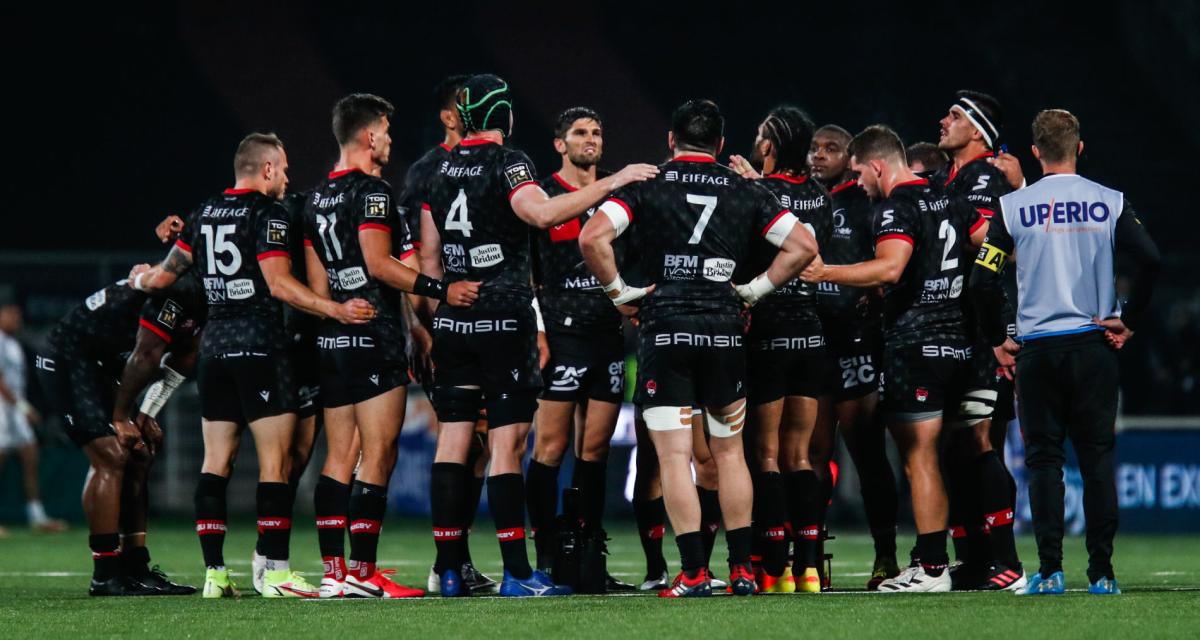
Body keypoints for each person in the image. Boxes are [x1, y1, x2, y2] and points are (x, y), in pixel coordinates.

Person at [421, 73, 657, 597]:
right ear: (503, 116)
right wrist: (614, 182)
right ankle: (519, 572)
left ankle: (451, 569)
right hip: (507, 317)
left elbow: (429, 254)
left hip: (456, 318)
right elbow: (542, 213)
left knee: (453, 443)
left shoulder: (438, 170)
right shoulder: (513, 164)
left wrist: (440, 298)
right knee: (511, 447)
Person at [580, 99, 818, 598]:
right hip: (725, 329)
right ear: (722, 145)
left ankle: (690, 573)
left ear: (671, 140)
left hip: (665, 328)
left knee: (674, 458)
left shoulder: (646, 184)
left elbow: (592, 238)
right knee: (731, 454)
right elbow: (802, 247)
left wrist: (621, 293)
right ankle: (741, 570)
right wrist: (752, 291)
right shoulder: (746, 189)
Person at [131, 132, 376, 599]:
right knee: (275, 463)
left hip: (214, 347)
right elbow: (280, 285)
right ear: (265, 169)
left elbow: (163, 276)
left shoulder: (203, 212)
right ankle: (278, 574)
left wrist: (138, 276)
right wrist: (336, 310)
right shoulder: (270, 215)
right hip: (260, 345)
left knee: (215, 461)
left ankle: (215, 575)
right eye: (282, 168)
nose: (286, 176)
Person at [969, 109, 1161, 596]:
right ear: (1079, 147)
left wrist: (997, 338)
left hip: (1037, 350)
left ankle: (1050, 570)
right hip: (1093, 344)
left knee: (1043, 461)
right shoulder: (1108, 201)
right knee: (1096, 459)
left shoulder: (1014, 208)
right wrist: (1129, 319)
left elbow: (982, 278)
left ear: (1034, 152)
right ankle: (1102, 573)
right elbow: (1151, 258)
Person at [304, 94, 479, 599]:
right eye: (385, 129)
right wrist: (441, 291)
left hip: (334, 335)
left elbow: (320, 285)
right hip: (373, 337)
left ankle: (334, 574)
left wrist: (344, 313)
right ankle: (364, 572)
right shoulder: (374, 193)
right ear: (369, 136)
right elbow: (382, 267)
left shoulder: (315, 198)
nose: (390, 139)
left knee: (338, 458)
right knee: (378, 456)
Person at [801, 125, 986, 593]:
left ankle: (933, 569)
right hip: (960, 341)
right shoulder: (945, 195)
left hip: (916, 344)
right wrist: (972, 293)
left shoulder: (895, 206)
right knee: (961, 454)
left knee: (919, 458)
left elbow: (890, 267)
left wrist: (826, 271)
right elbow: (990, 242)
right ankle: (974, 560)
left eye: (861, 172)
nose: (859, 181)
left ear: (877, 165)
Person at [525, 106, 632, 591]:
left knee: (595, 450)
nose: (591, 139)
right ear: (559, 144)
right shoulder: (541, 196)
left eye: (597, 131)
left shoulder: (621, 192)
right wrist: (539, 328)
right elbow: (526, 270)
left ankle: (588, 553)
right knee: (550, 447)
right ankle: (547, 553)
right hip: (561, 335)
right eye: (580, 133)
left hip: (607, 334)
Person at [35, 282, 200, 596]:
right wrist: (121, 417)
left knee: (140, 453)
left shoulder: (210, 300)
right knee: (111, 454)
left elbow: (184, 358)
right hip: (69, 355)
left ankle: (136, 567)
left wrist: (148, 412)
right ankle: (105, 573)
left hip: (105, 364)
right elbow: (146, 356)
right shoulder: (178, 287)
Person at [729, 105, 832, 593]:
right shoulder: (821, 195)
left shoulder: (757, 195)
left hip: (768, 331)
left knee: (764, 455)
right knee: (801, 455)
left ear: (769, 147)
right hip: (811, 333)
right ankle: (810, 566)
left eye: (758, 135)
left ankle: (776, 569)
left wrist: (753, 186)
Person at [933, 90, 1023, 590]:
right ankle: (971, 557)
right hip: (957, 328)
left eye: (954, 115)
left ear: (978, 129)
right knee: (956, 448)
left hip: (986, 330)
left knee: (982, 440)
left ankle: (1005, 560)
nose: (942, 121)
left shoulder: (986, 176)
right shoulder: (955, 178)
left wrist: (995, 332)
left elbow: (997, 248)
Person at [808, 124, 898, 589]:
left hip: (858, 342)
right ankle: (811, 556)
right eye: (814, 148)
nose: (819, 156)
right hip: (812, 342)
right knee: (813, 456)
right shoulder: (799, 198)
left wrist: (877, 293)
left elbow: (890, 262)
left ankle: (886, 554)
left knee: (867, 453)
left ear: (851, 157)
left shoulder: (867, 203)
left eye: (831, 149)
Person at [0, 302, 67, 535]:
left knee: (31, 456)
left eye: (17, 316)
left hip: (15, 407)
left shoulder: (14, 345)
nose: (15, 320)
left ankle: (37, 516)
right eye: (10, 315)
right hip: (2, 406)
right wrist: (23, 407)